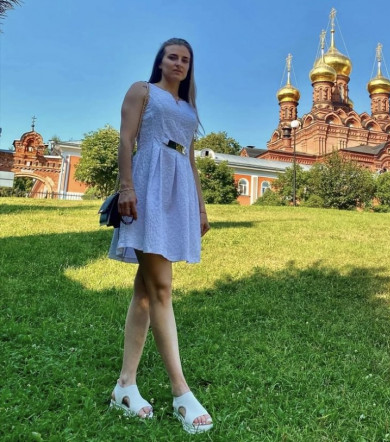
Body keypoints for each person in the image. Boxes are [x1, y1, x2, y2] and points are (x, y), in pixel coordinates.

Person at [108, 37, 213, 434]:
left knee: (145, 293)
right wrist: (127, 187)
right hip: (149, 182)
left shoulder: (188, 107)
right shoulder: (143, 91)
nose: (179, 63)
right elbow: (125, 139)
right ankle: (181, 393)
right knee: (163, 289)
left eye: (185, 59)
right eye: (173, 56)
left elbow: (191, 158)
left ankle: (125, 386)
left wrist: (200, 207)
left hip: (178, 187)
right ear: (161, 60)